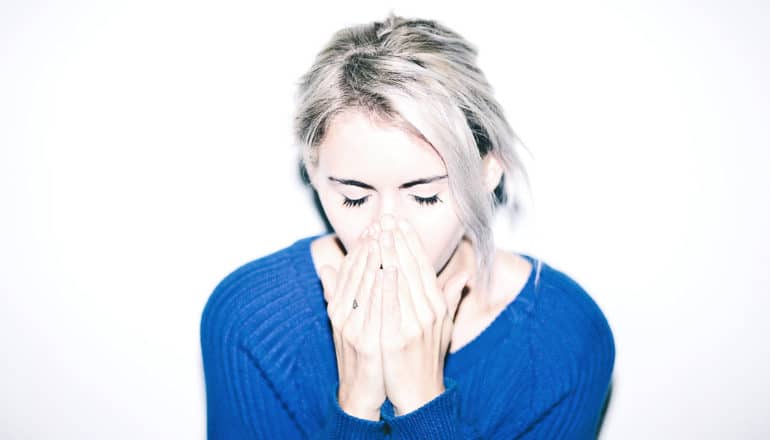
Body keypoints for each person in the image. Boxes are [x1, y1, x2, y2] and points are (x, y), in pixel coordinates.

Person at [200, 12, 614, 439]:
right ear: (315, 173)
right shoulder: (251, 320)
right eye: (354, 197)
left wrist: (422, 403)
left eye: (425, 196)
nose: (386, 229)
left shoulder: (564, 339)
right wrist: (355, 404)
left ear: (488, 171)